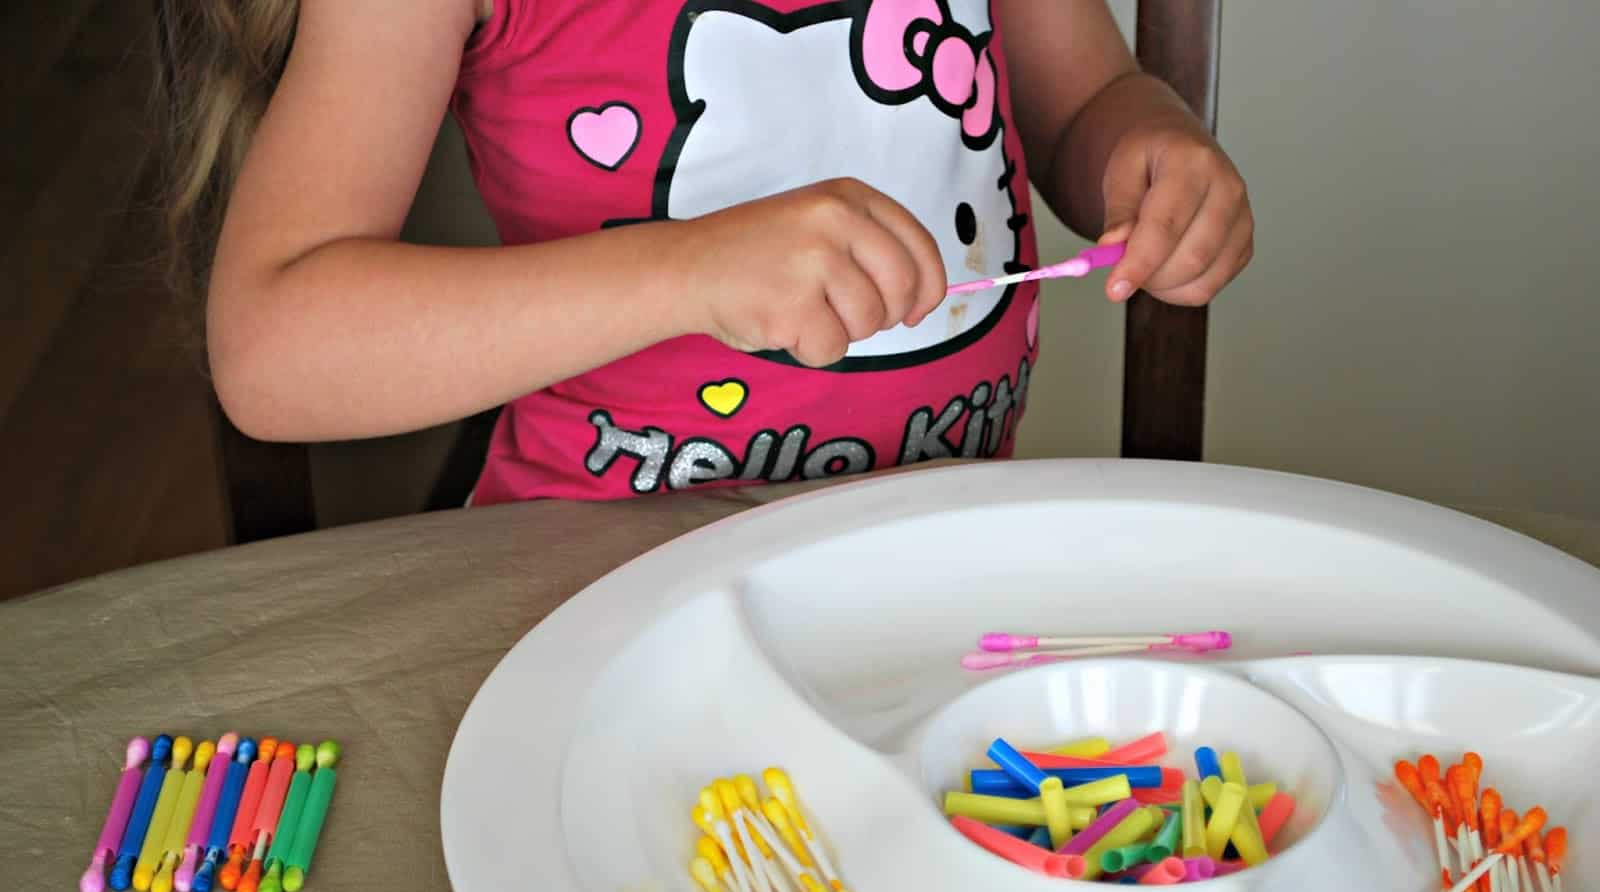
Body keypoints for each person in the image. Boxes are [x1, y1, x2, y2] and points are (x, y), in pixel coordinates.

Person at [158, 0, 1252, 503]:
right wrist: (690, 270)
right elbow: (274, 349)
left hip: (928, 551)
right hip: (592, 586)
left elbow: (1083, 108)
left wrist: (1144, 153)